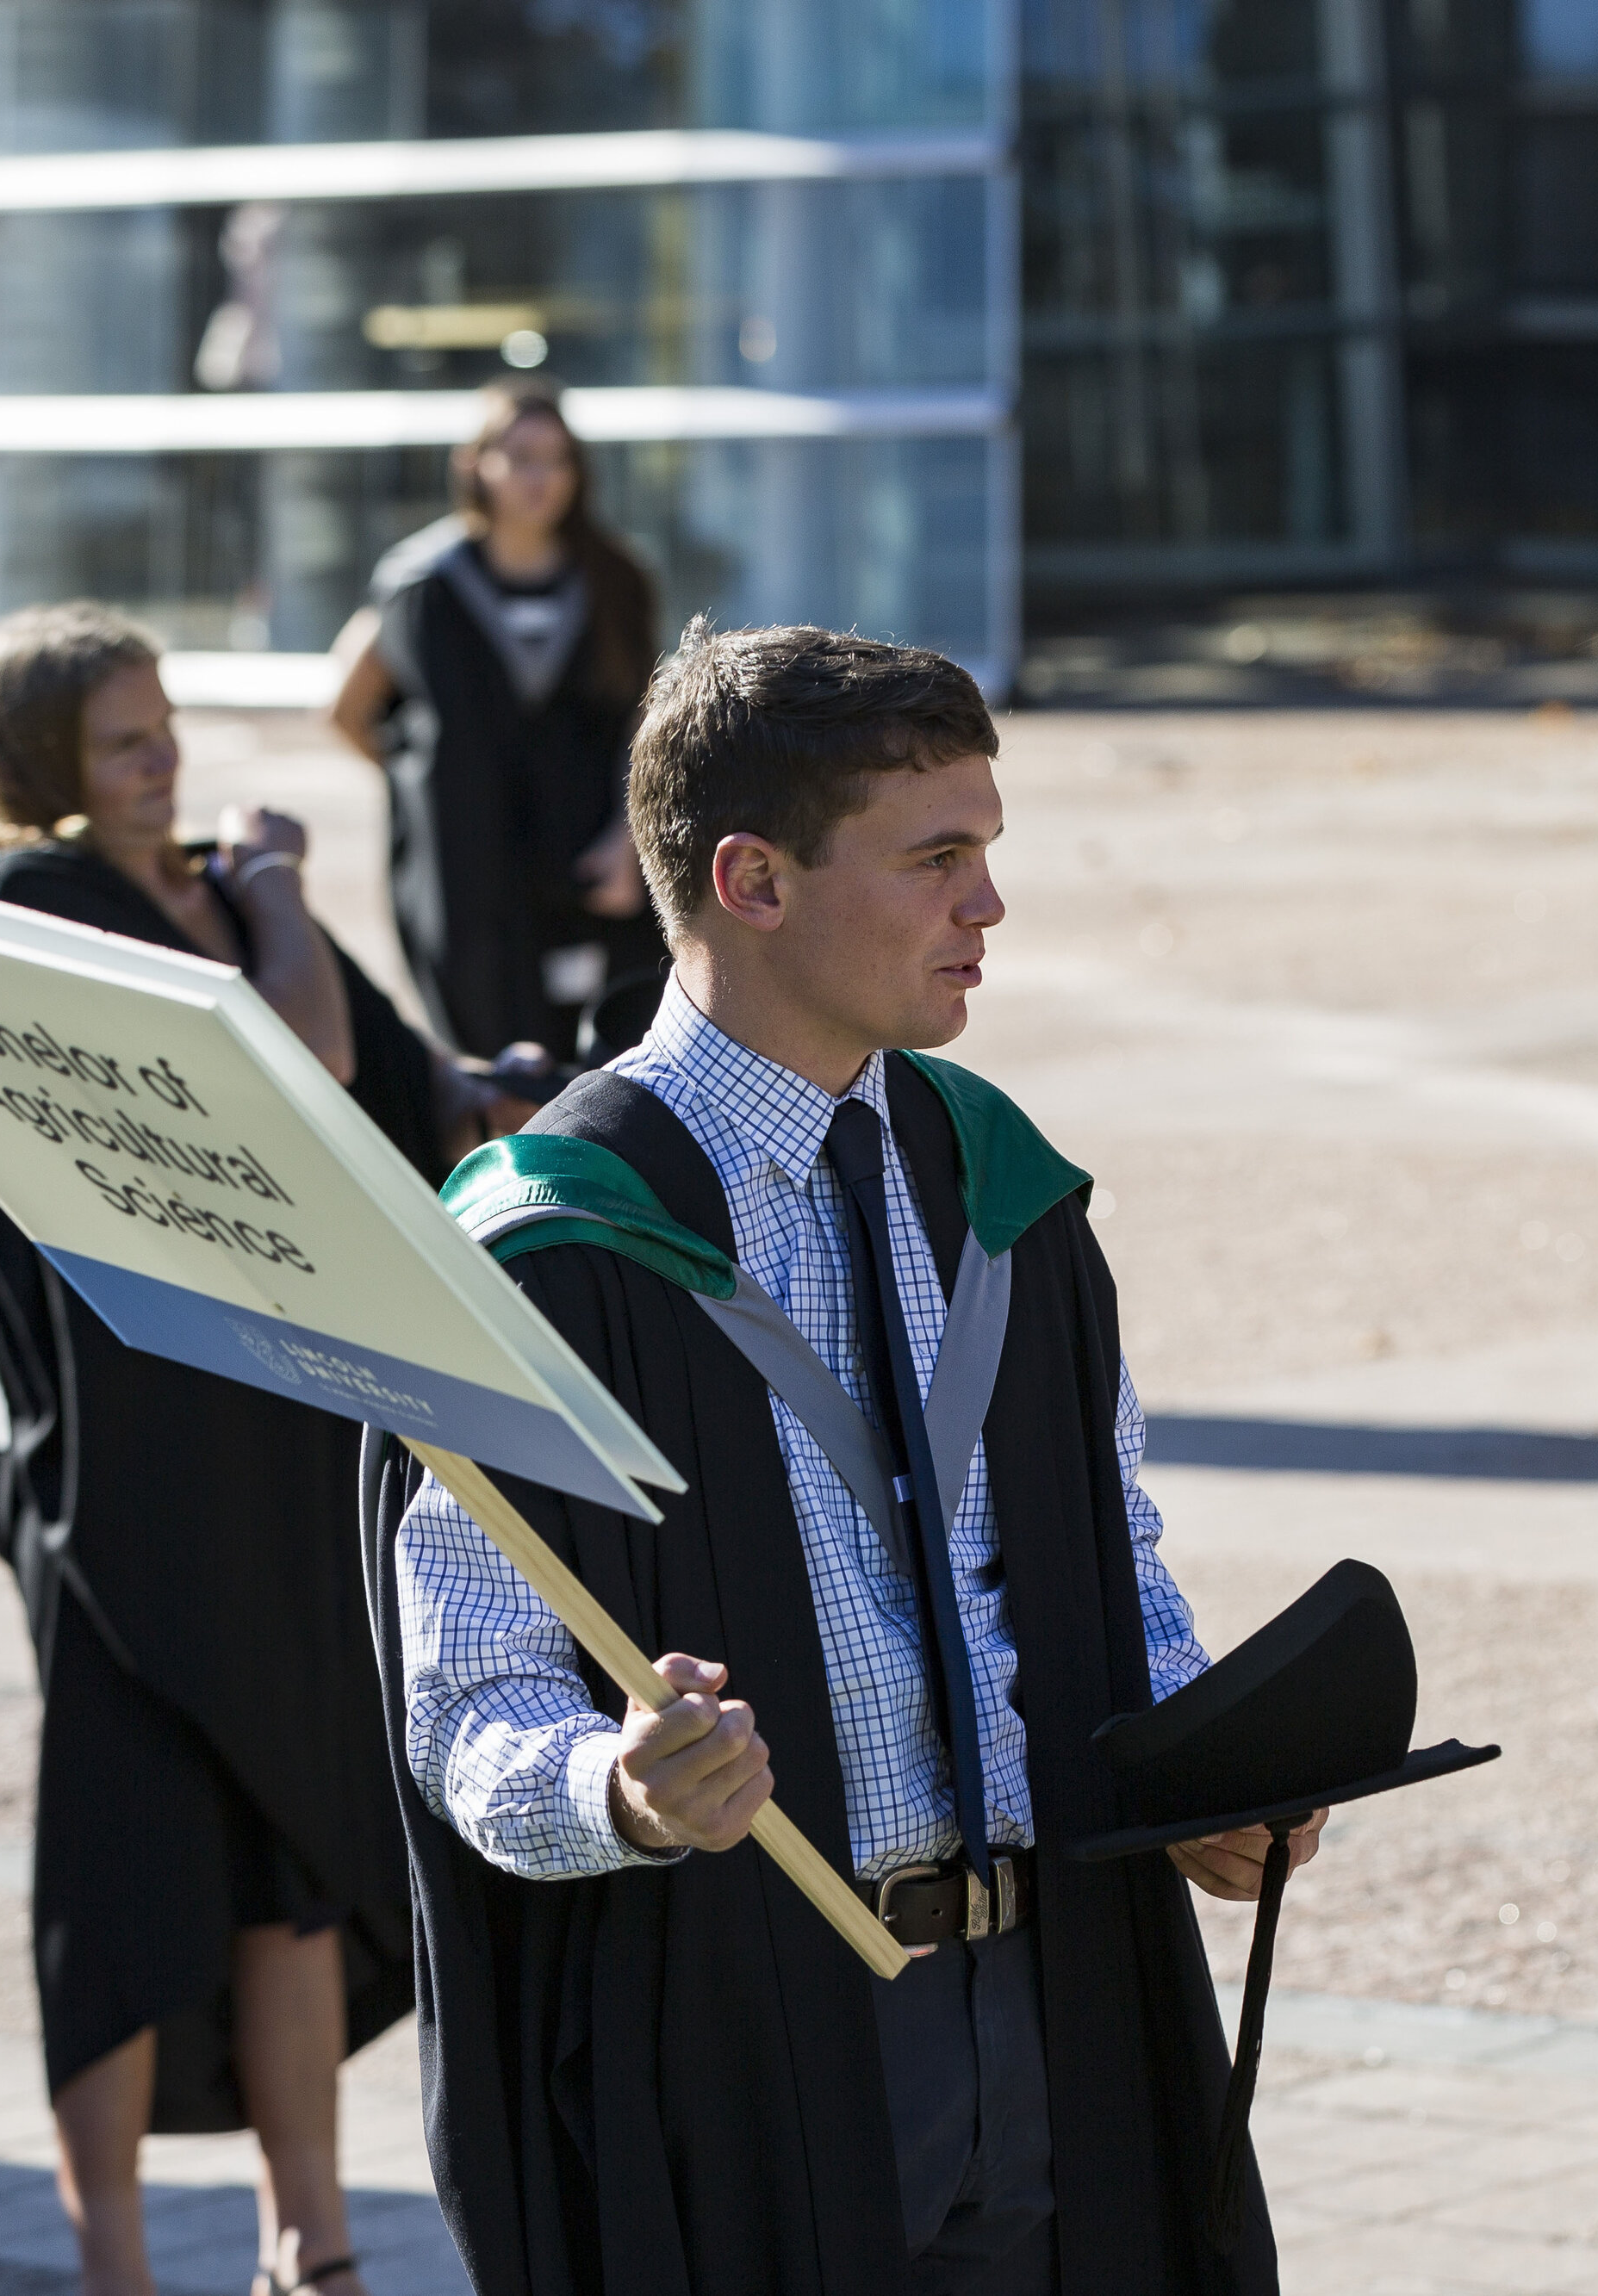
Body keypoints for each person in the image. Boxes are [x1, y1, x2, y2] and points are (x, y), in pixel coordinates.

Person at [363, 620, 1312, 2294]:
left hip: (1050, 2010)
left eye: (987, 854)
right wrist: (620, 1790)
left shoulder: (999, 1192)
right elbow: (473, 1702)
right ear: (753, 879)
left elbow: (1106, 1545)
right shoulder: (545, 1256)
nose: (988, 907)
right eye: (936, 857)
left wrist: (1199, 1770)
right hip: (746, 2044)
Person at [0, 604, 539, 2296]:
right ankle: (115, 2263)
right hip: (127, 1486)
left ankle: (314, 2243)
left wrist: (505, 1093)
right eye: (125, 739)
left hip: (273, 1455)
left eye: (163, 727)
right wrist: (276, 888)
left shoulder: (196, 889)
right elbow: (292, 1066)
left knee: (293, 1865)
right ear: (44, 761)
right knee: (125, 1887)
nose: (163, 762)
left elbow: (395, 1092)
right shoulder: (35, 901)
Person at [326, 377, 663, 1061]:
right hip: (469, 880)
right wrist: (421, 794)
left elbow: (648, 721)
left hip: (589, 864)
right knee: (491, 1065)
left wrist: (628, 838)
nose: (541, 478)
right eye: (520, 456)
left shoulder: (616, 580)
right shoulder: (423, 586)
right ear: (474, 464)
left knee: (607, 1056)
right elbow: (346, 710)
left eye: (557, 458)